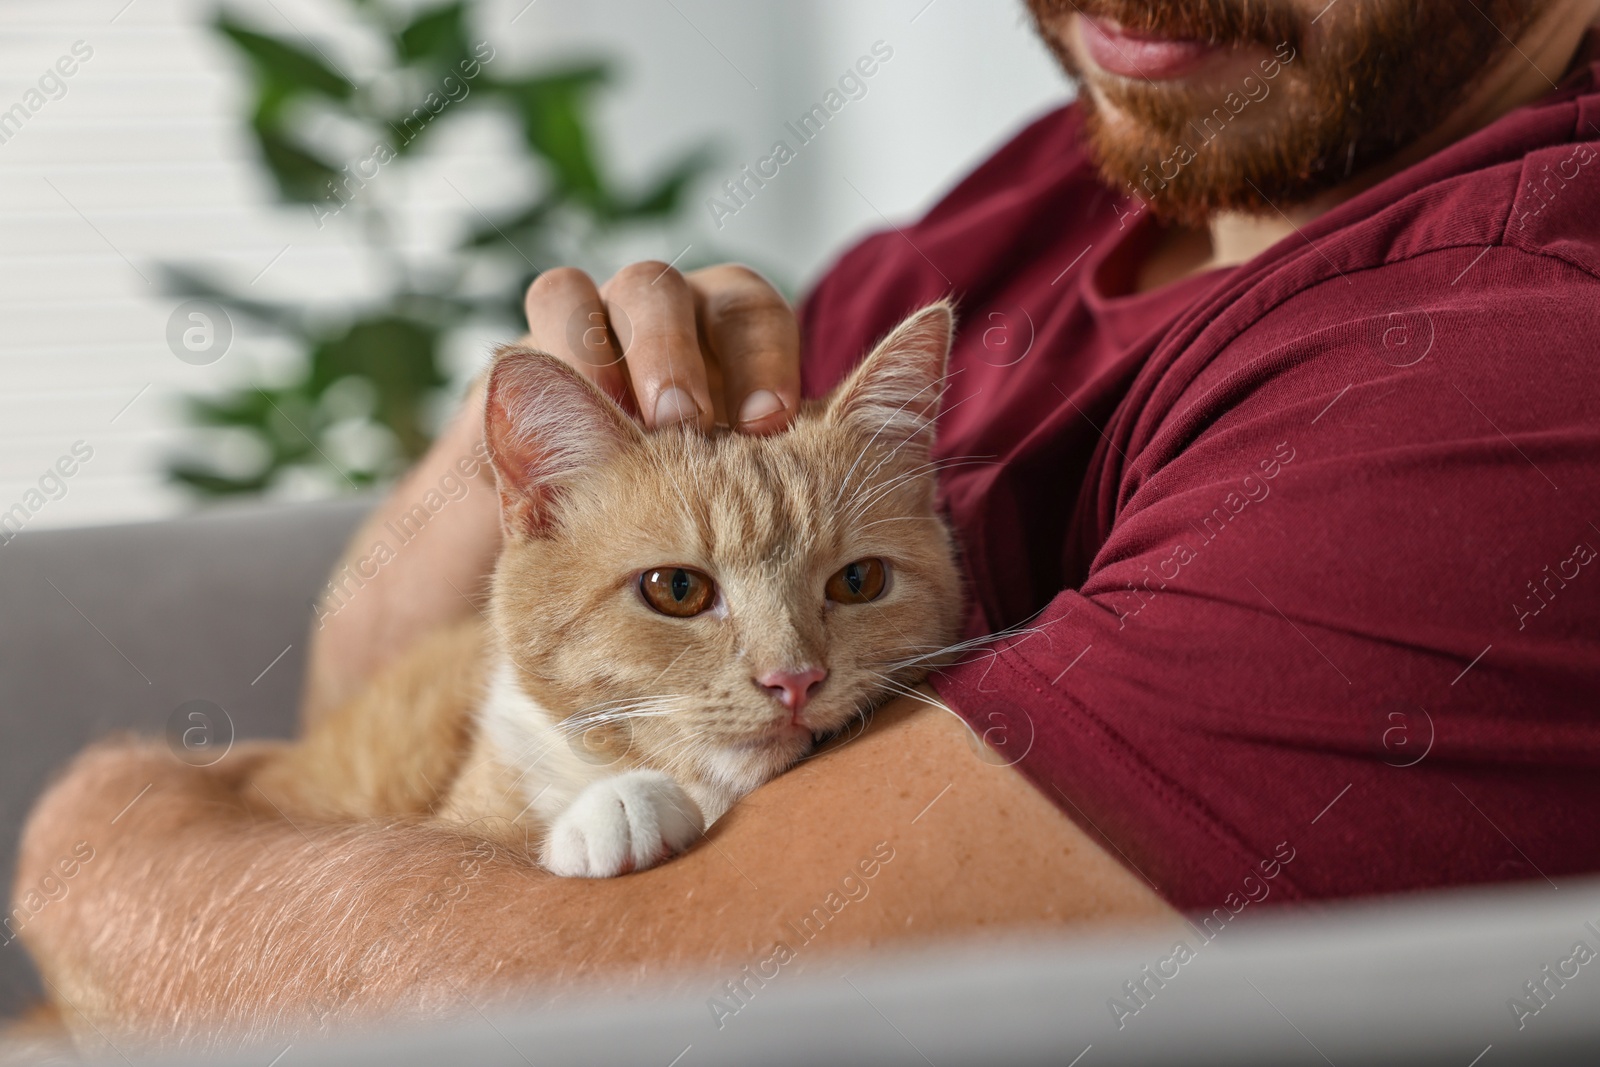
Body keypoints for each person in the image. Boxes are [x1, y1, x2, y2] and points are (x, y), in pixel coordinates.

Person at [17, 0, 1600, 1044]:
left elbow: (549, 1028)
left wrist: (109, 853)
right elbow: (363, 677)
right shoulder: (1115, 145)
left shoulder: (1512, 369)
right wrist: (530, 473)